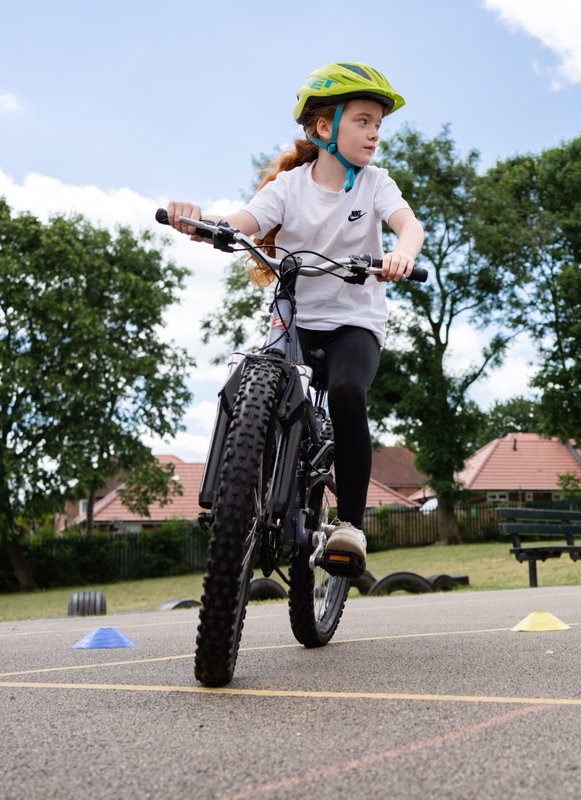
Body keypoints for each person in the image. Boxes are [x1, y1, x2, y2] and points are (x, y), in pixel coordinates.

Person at [166, 62, 425, 575]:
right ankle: (243, 489)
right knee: (256, 380)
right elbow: (240, 222)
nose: (375, 132)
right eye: (363, 121)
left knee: (349, 391)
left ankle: (349, 525)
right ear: (324, 127)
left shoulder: (374, 184)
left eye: (379, 123)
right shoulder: (287, 187)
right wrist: (198, 222)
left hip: (355, 322)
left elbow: (407, 224)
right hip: (295, 318)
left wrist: (403, 254)